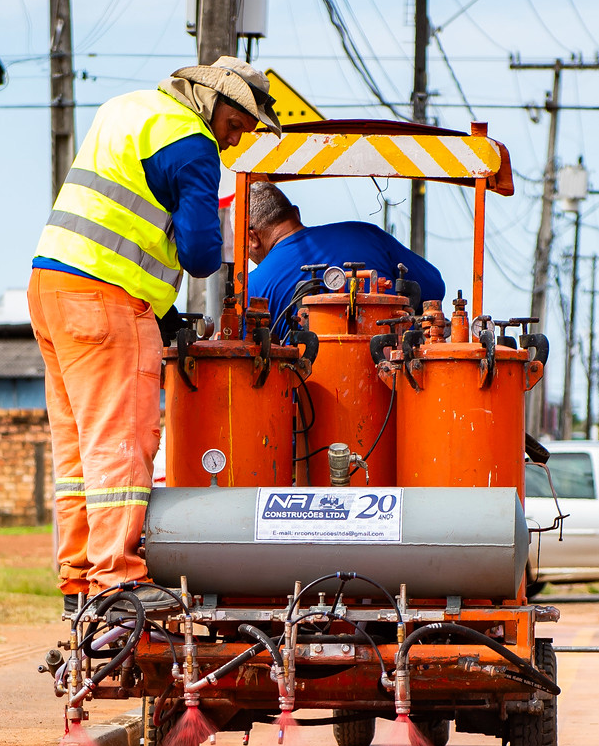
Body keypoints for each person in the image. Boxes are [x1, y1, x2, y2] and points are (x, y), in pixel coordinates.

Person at [30, 56, 281, 615]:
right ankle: (117, 581)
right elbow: (197, 255)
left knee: (78, 449)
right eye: (236, 125)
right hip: (107, 303)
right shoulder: (193, 143)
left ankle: (78, 578)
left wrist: (165, 314)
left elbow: (119, 216)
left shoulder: (127, 109)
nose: (234, 139)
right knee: (123, 443)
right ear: (213, 101)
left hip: (51, 287)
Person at [244, 179, 445, 341]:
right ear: (296, 213)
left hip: (307, 388)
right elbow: (434, 287)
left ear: (252, 238)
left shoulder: (251, 288)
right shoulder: (366, 234)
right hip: (399, 383)